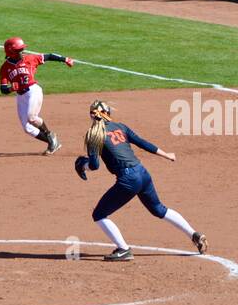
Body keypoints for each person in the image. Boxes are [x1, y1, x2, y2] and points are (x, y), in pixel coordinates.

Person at [74, 100, 208, 262]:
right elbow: (143, 143)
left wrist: (83, 165)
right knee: (159, 209)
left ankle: (123, 249)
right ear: (108, 114)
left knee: (99, 214)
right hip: (142, 172)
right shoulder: (121, 127)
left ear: (92, 115)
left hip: (128, 179)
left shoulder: (93, 134)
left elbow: (94, 166)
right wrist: (166, 155)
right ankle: (194, 234)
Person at [0, 37, 73, 154]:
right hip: (21, 97)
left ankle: (49, 134)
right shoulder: (4, 68)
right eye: (19, 50)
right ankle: (53, 142)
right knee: (27, 128)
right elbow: (3, 89)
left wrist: (65, 59)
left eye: (22, 49)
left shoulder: (30, 58)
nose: (22, 52)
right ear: (11, 52)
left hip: (33, 91)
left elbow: (48, 56)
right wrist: (10, 88)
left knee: (32, 117)